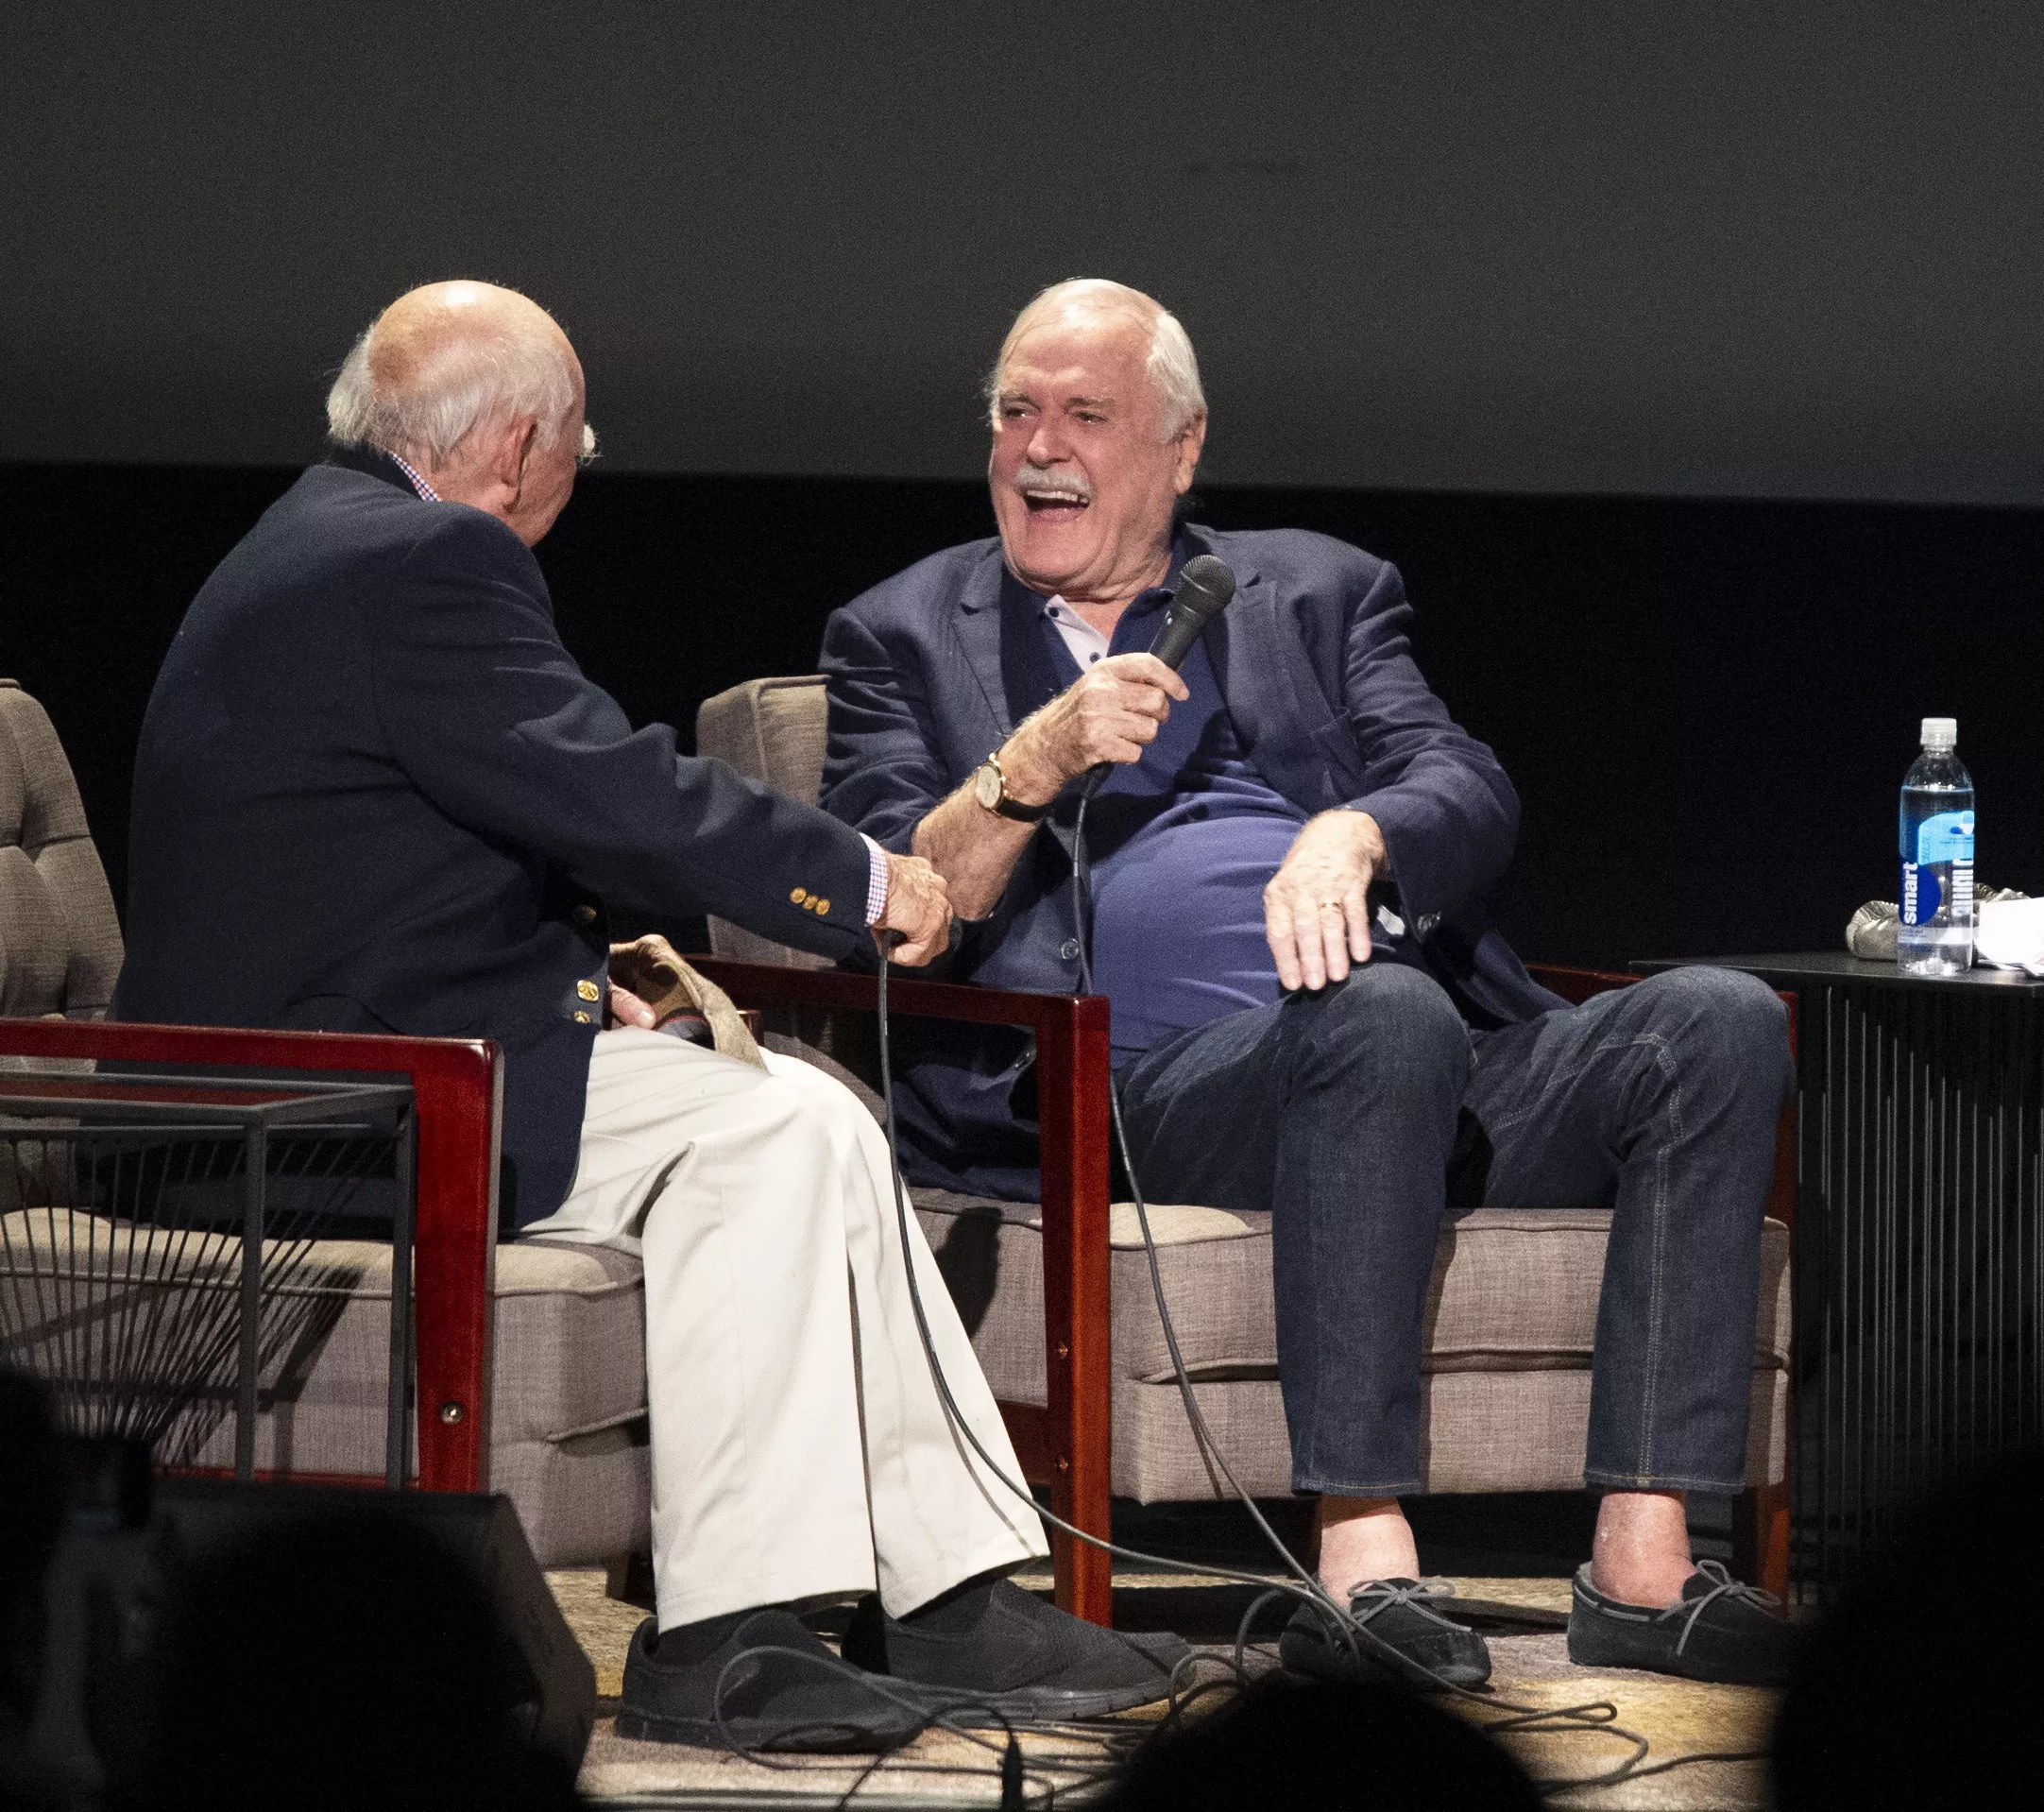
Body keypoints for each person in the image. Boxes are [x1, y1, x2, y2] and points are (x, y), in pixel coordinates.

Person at [112, 281, 1184, 1750]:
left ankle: (948, 1593)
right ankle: (729, 1639)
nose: (581, 465)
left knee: (814, 1113)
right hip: (329, 1104)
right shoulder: (426, 557)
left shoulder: (322, 534)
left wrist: (573, 983)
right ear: (515, 447)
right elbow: (613, 792)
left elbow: (388, 857)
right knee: (770, 1137)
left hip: (363, 1053)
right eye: (582, 440)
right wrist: (870, 881)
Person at [818, 278, 1800, 1687]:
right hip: (1140, 1092)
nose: (1040, 447)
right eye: (1016, 412)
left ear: (1182, 449)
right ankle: (1360, 1562)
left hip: (1409, 1041)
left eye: (1086, 414)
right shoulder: (902, 632)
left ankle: (1642, 1568)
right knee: (1380, 1018)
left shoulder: (1319, 588)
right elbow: (903, 904)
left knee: (1715, 1020)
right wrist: (1034, 759)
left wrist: (1358, 832)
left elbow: (1462, 779)